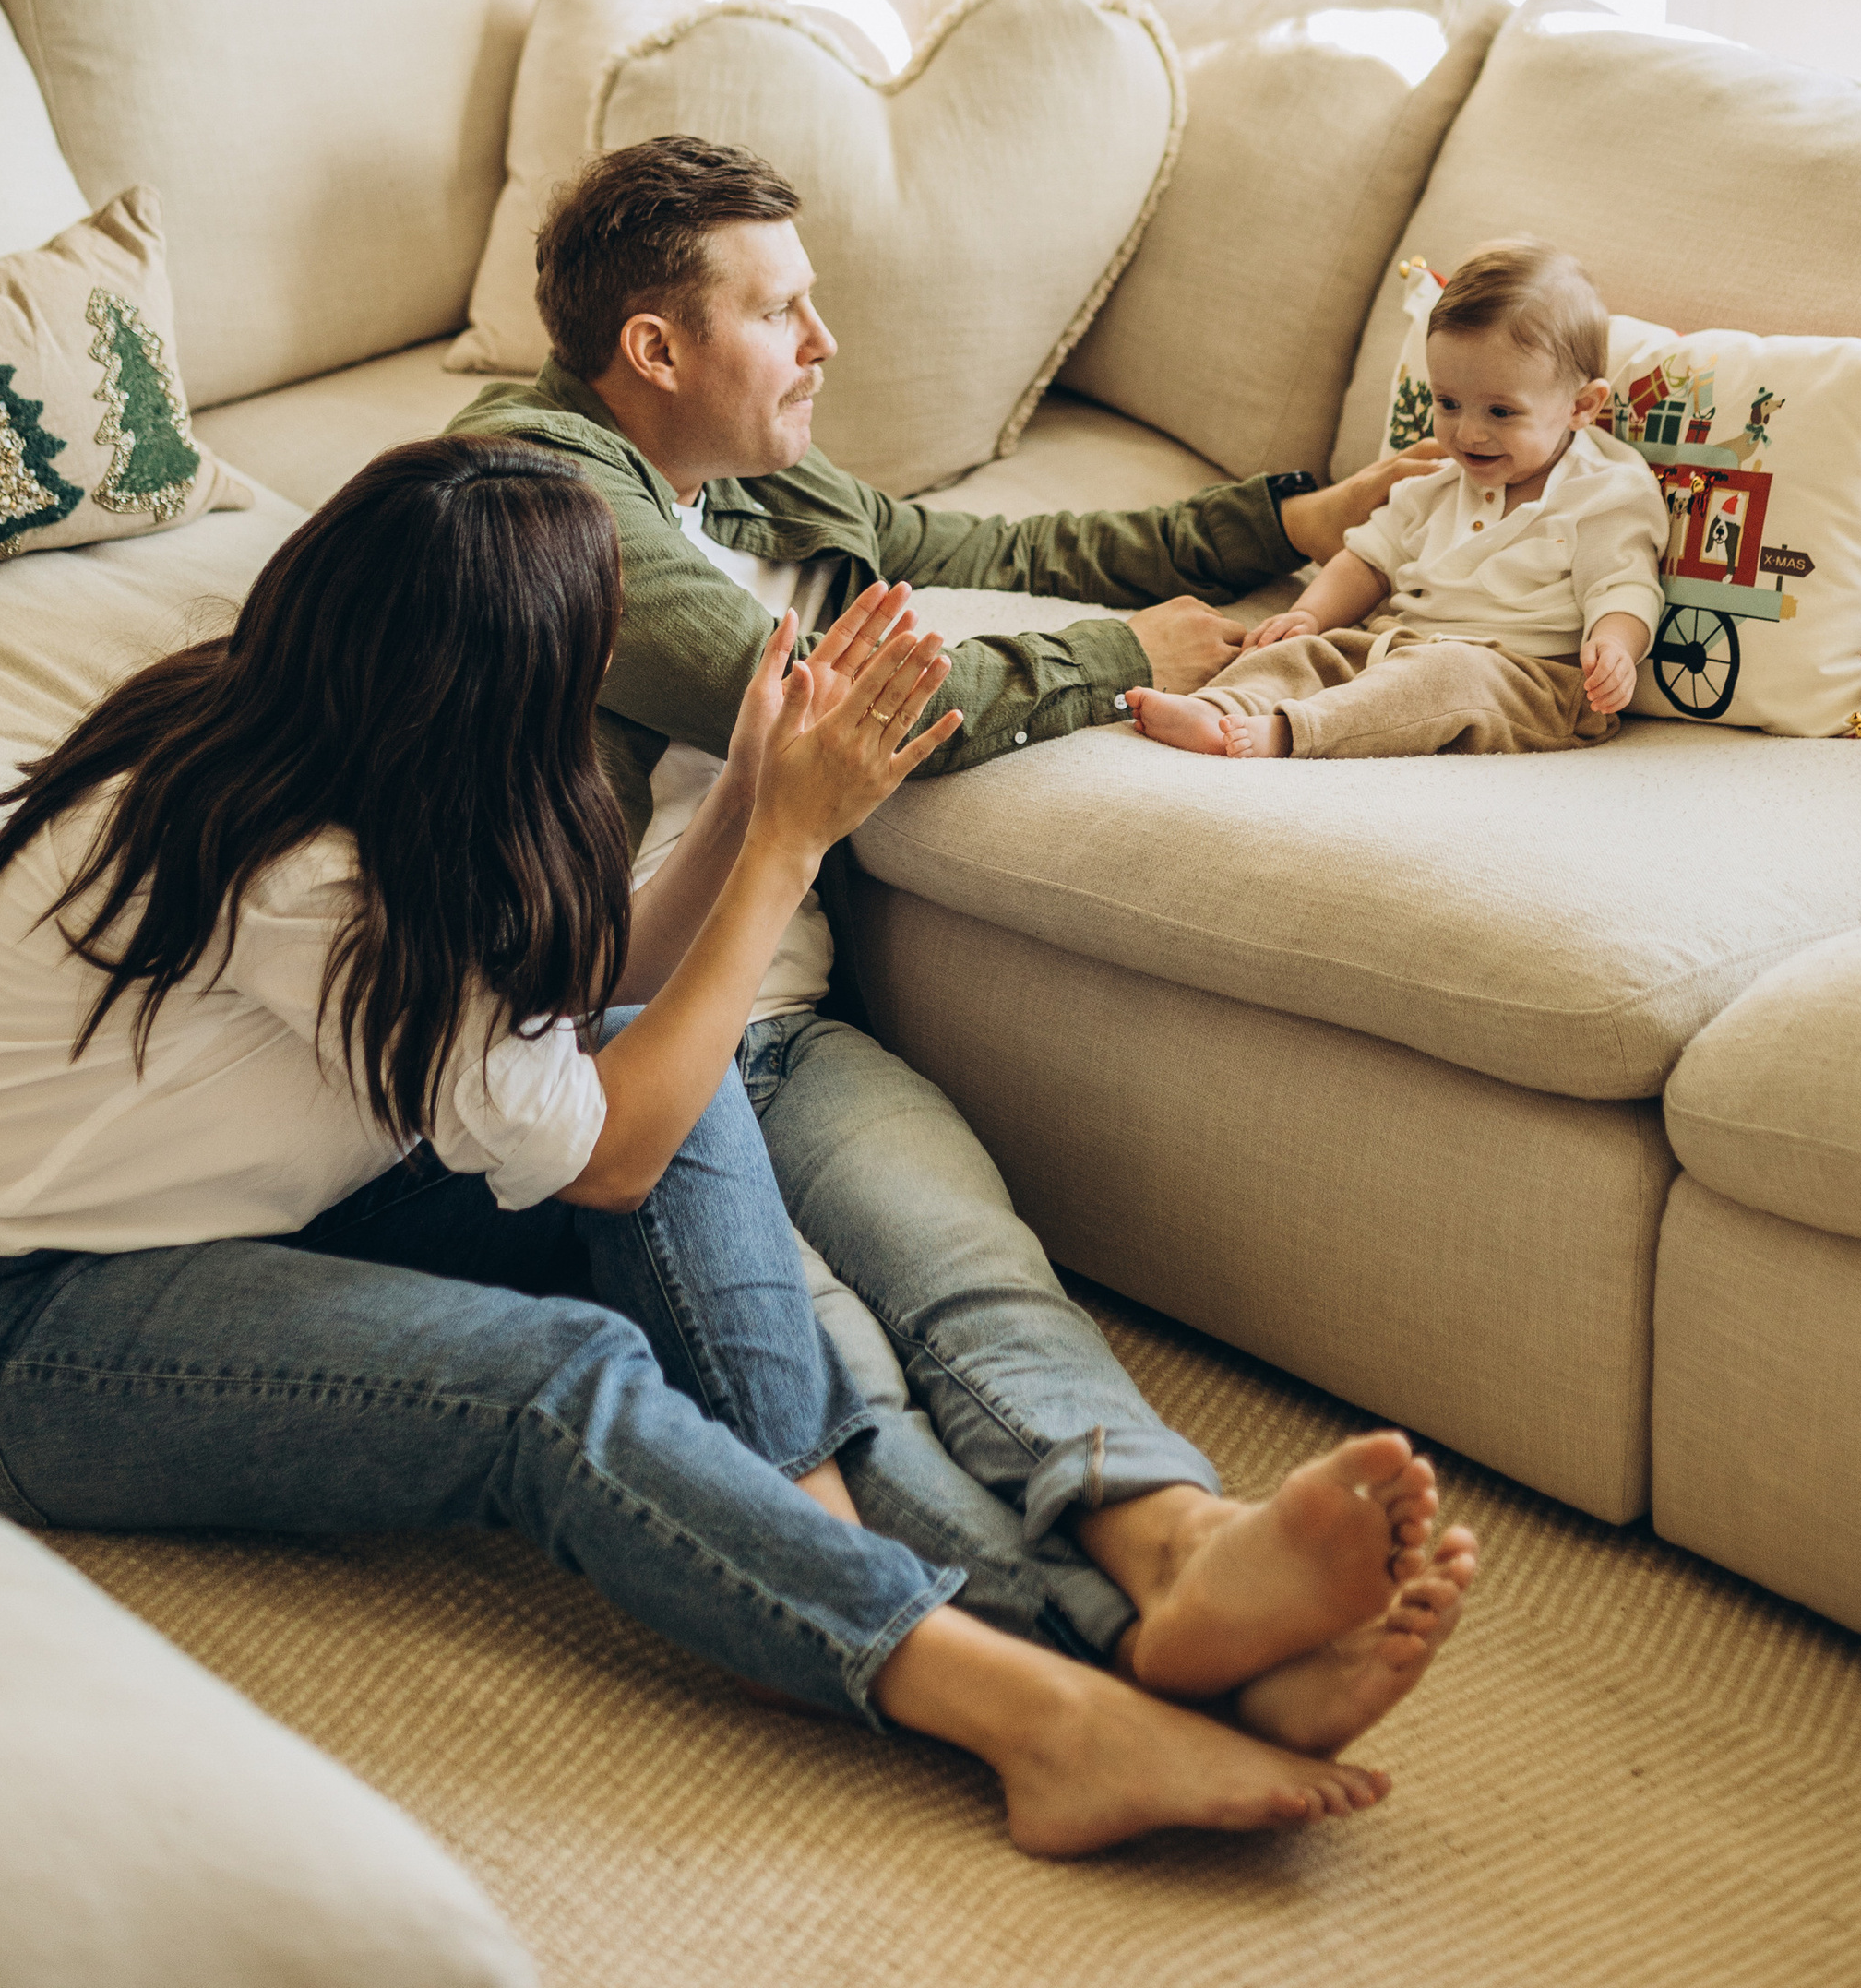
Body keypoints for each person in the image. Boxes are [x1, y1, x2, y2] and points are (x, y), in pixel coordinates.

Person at [0, 441, 1447, 1857]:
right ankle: (1041, 1705)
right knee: (555, 1382)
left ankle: (1013, 1599)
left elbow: (589, 1004)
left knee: (662, 1097)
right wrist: (792, 850)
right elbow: (604, 1162)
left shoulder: (347, 755)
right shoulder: (309, 868)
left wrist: (749, 795)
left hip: (261, 1218)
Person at [447, 141, 1473, 1729]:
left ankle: (1180, 1542)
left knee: (974, 1275)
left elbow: (995, 556)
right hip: (617, 1040)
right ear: (653, 348)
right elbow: (833, 710)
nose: (824, 341)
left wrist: (1292, 515)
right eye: (780, 312)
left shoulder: (742, 477)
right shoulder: (545, 499)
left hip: (787, 1021)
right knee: (829, 1360)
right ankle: (1114, 1644)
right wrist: (1121, 657)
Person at [1131, 240, 1666, 762]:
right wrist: (1309, 615)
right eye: (1448, 403)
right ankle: (1218, 707)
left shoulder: (1604, 491)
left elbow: (1622, 585)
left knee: (1445, 675)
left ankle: (1291, 733)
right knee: (1310, 653)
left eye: (1501, 412)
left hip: (1531, 683)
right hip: (1395, 645)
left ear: (1581, 406)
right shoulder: (1435, 478)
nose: (1468, 433)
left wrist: (1615, 647)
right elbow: (1369, 559)